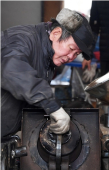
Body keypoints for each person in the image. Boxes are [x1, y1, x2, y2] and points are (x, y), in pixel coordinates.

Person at [1, 8, 96, 138]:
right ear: (56, 33)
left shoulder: (48, 56)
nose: (71, 57)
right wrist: (53, 107)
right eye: (71, 49)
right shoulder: (22, 39)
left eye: (76, 54)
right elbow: (12, 70)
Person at [82, 1, 109, 76]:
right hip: (106, 53)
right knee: (107, 83)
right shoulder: (98, 2)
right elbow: (93, 29)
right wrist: (88, 54)